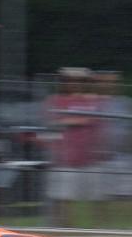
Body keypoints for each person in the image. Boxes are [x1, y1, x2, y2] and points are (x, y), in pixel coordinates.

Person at [44, 67, 103, 226]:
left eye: (78, 80)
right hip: (65, 161)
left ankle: (97, 233)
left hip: (91, 161)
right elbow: (51, 123)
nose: (73, 83)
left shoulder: (93, 100)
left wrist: (70, 121)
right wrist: (79, 121)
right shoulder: (55, 100)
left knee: (96, 202)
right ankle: (65, 234)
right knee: (63, 201)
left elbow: (98, 122)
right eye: (68, 80)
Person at [94, 71, 132, 202]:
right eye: (105, 82)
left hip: (127, 159)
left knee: (129, 199)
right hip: (104, 160)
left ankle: (130, 223)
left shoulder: (129, 104)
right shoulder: (93, 105)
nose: (110, 85)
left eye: (113, 82)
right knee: (105, 199)